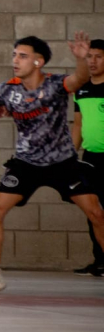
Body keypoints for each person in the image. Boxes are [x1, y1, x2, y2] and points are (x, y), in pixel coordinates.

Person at [0, 32, 104, 294]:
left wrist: (82, 59)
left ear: (38, 62)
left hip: (63, 162)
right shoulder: (8, 89)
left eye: (22, 56)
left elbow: (79, 78)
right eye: (15, 55)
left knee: (96, 213)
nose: (16, 60)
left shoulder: (55, 84)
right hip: (25, 163)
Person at [71, 39, 104, 277]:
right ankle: (99, 261)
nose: (92, 61)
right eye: (89, 56)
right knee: (93, 212)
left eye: (98, 57)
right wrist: (70, 155)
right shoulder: (81, 89)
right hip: (90, 158)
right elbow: (79, 124)